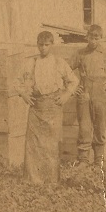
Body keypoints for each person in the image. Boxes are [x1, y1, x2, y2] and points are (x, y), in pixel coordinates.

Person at [14, 31, 79, 184]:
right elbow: (16, 81)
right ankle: (32, 180)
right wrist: (23, 94)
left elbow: (74, 81)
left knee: (51, 145)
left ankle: (51, 180)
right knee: (33, 144)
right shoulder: (31, 62)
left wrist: (65, 95)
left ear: (52, 45)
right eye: (40, 45)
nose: (43, 48)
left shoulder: (59, 62)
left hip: (53, 106)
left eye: (46, 45)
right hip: (36, 107)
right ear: (37, 45)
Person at [68, 24, 106, 166]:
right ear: (87, 37)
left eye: (96, 38)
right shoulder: (80, 54)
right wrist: (73, 88)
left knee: (100, 127)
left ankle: (99, 160)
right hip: (84, 93)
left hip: (101, 94)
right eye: (91, 37)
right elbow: (65, 71)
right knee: (84, 127)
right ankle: (83, 160)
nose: (93, 41)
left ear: (101, 38)